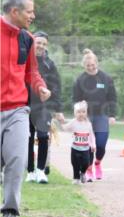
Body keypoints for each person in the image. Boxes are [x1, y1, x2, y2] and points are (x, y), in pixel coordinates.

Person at [1, 0, 51, 217]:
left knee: (18, 159)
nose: (33, 15)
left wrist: (40, 86)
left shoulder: (27, 39)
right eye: (29, 11)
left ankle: (10, 211)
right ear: (15, 12)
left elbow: (31, 71)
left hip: (19, 110)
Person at [71, 49, 117, 181]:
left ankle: (97, 163)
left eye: (93, 65)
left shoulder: (106, 78)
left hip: (102, 115)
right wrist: (80, 106)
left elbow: (112, 97)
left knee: (101, 144)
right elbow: (75, 99)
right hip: (86, 117)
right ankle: (89, 168)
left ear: (97, 63)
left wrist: (112, 115)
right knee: (89, 145)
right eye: (88, 66)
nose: (91, 68)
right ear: (84, 66)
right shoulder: (80, 79)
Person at [27, 31, 62, 184]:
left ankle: (41, 170)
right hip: (25, 104)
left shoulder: (50, 64)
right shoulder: (24, 59)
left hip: (44, 106)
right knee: (27, 138)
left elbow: (56, 86)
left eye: (43, 44)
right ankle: (30, 171)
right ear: (33, 42)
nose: (40, 46)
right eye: (38, 42)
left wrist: (57, 107)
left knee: (42, 137)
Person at [58, 101, 96, 184]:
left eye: (83, 112)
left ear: (86, 113)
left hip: (85, 149)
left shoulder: (88, 124)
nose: (81, 114)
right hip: (75, 148)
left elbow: (91, 135)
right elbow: (64, 128)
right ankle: (76, 178)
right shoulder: (73, 122)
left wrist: (93, 145)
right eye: (78, 112)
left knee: (86, 163)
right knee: (75, 164)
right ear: (75, 113)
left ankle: (83, 173)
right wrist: (61, 122)